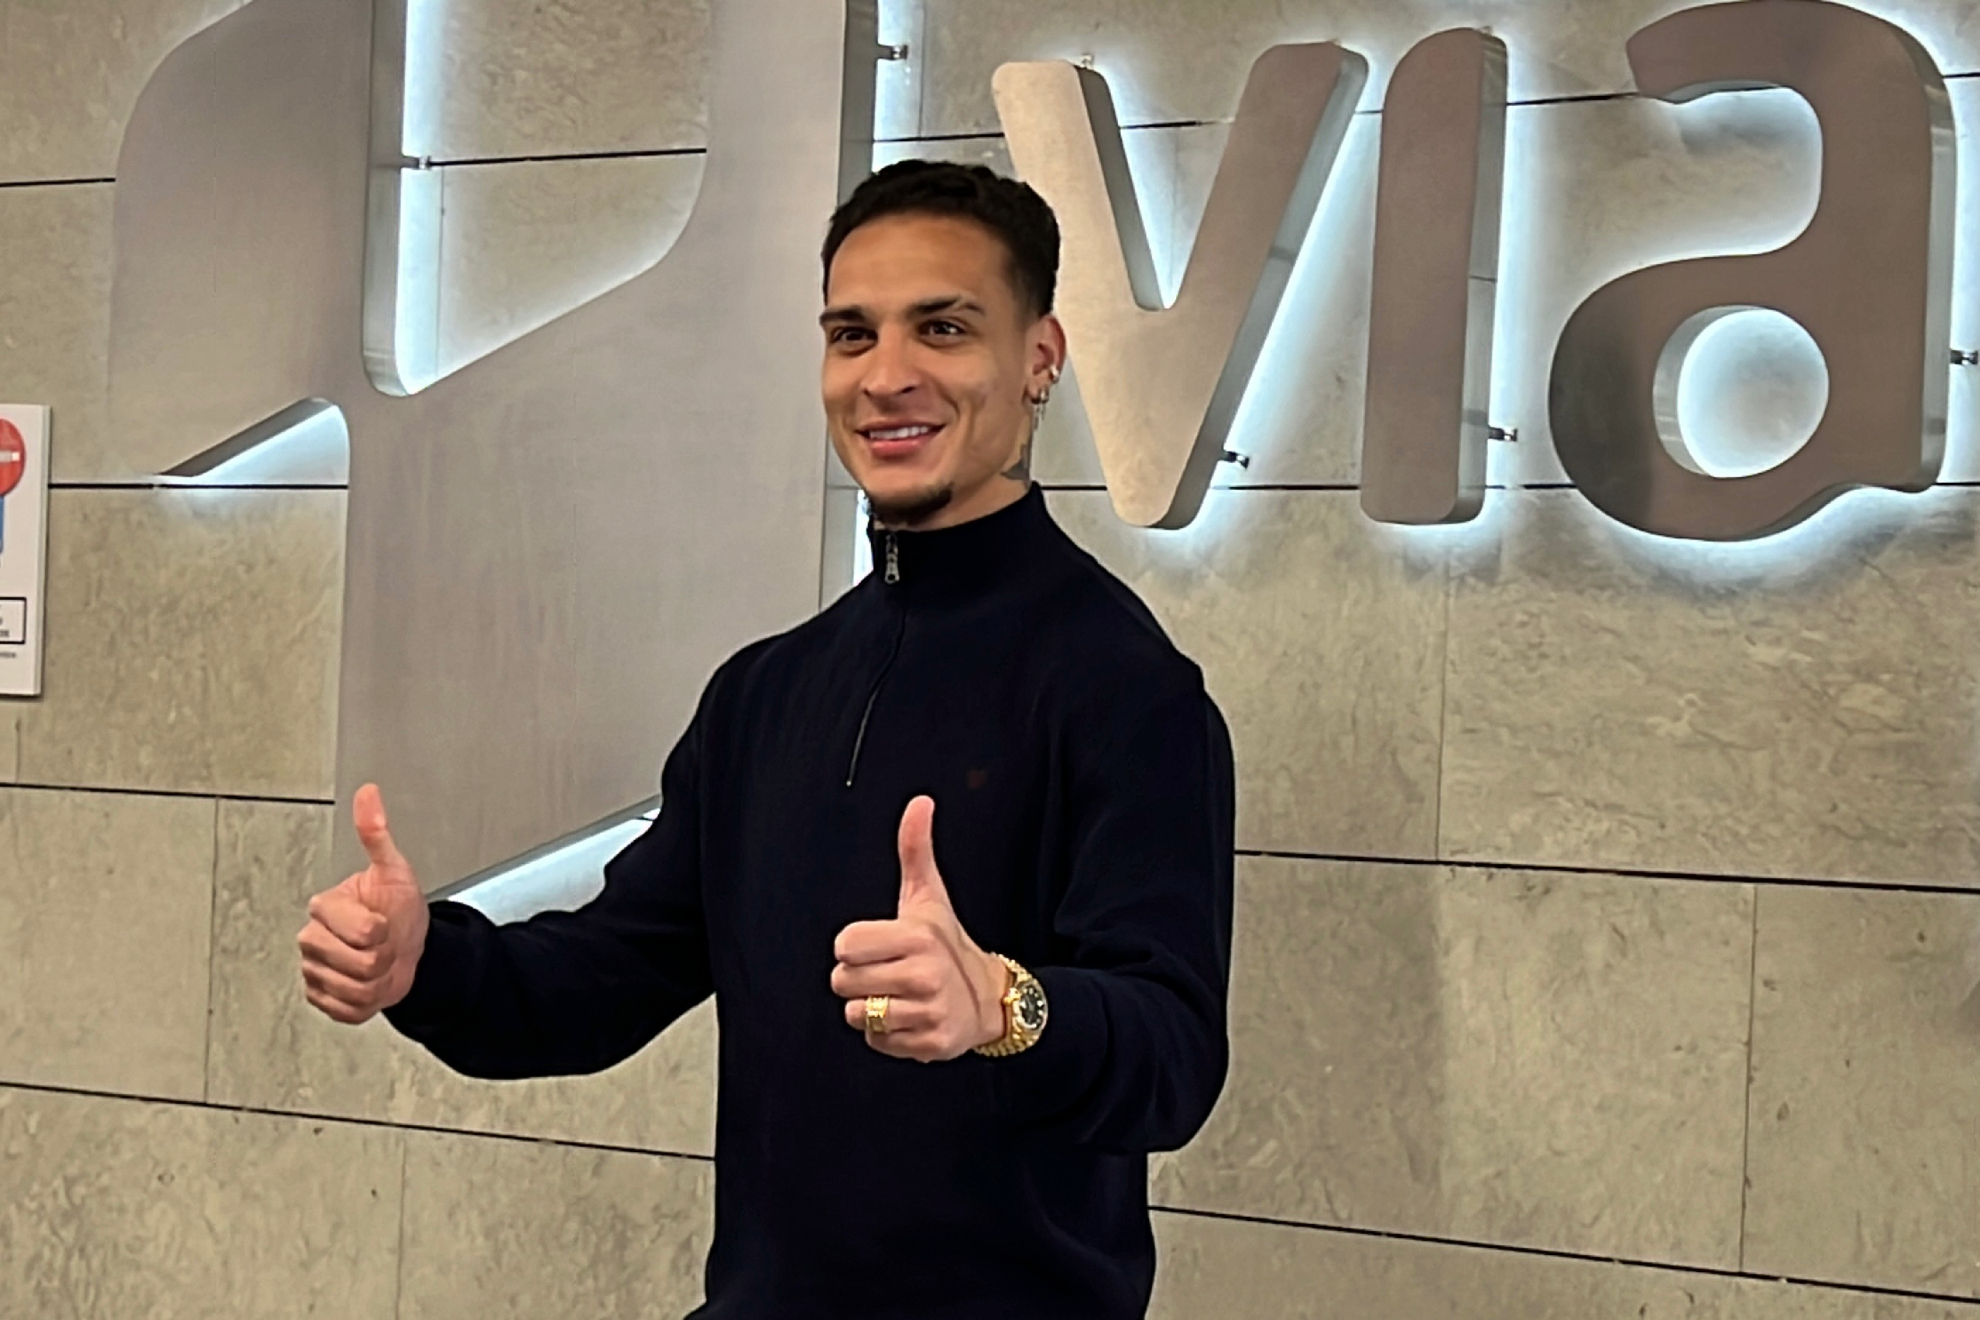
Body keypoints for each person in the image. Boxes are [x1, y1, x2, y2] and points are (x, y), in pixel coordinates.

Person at [295, 160, 1237, 1319]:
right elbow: (598, 981)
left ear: (1039, 356)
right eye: (852, 334)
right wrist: (423, 963)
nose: (888, 376)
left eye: (942, 328)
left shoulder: (1126, 687)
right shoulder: (764, 694)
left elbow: (1175, 1057)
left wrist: (1004, 1005)